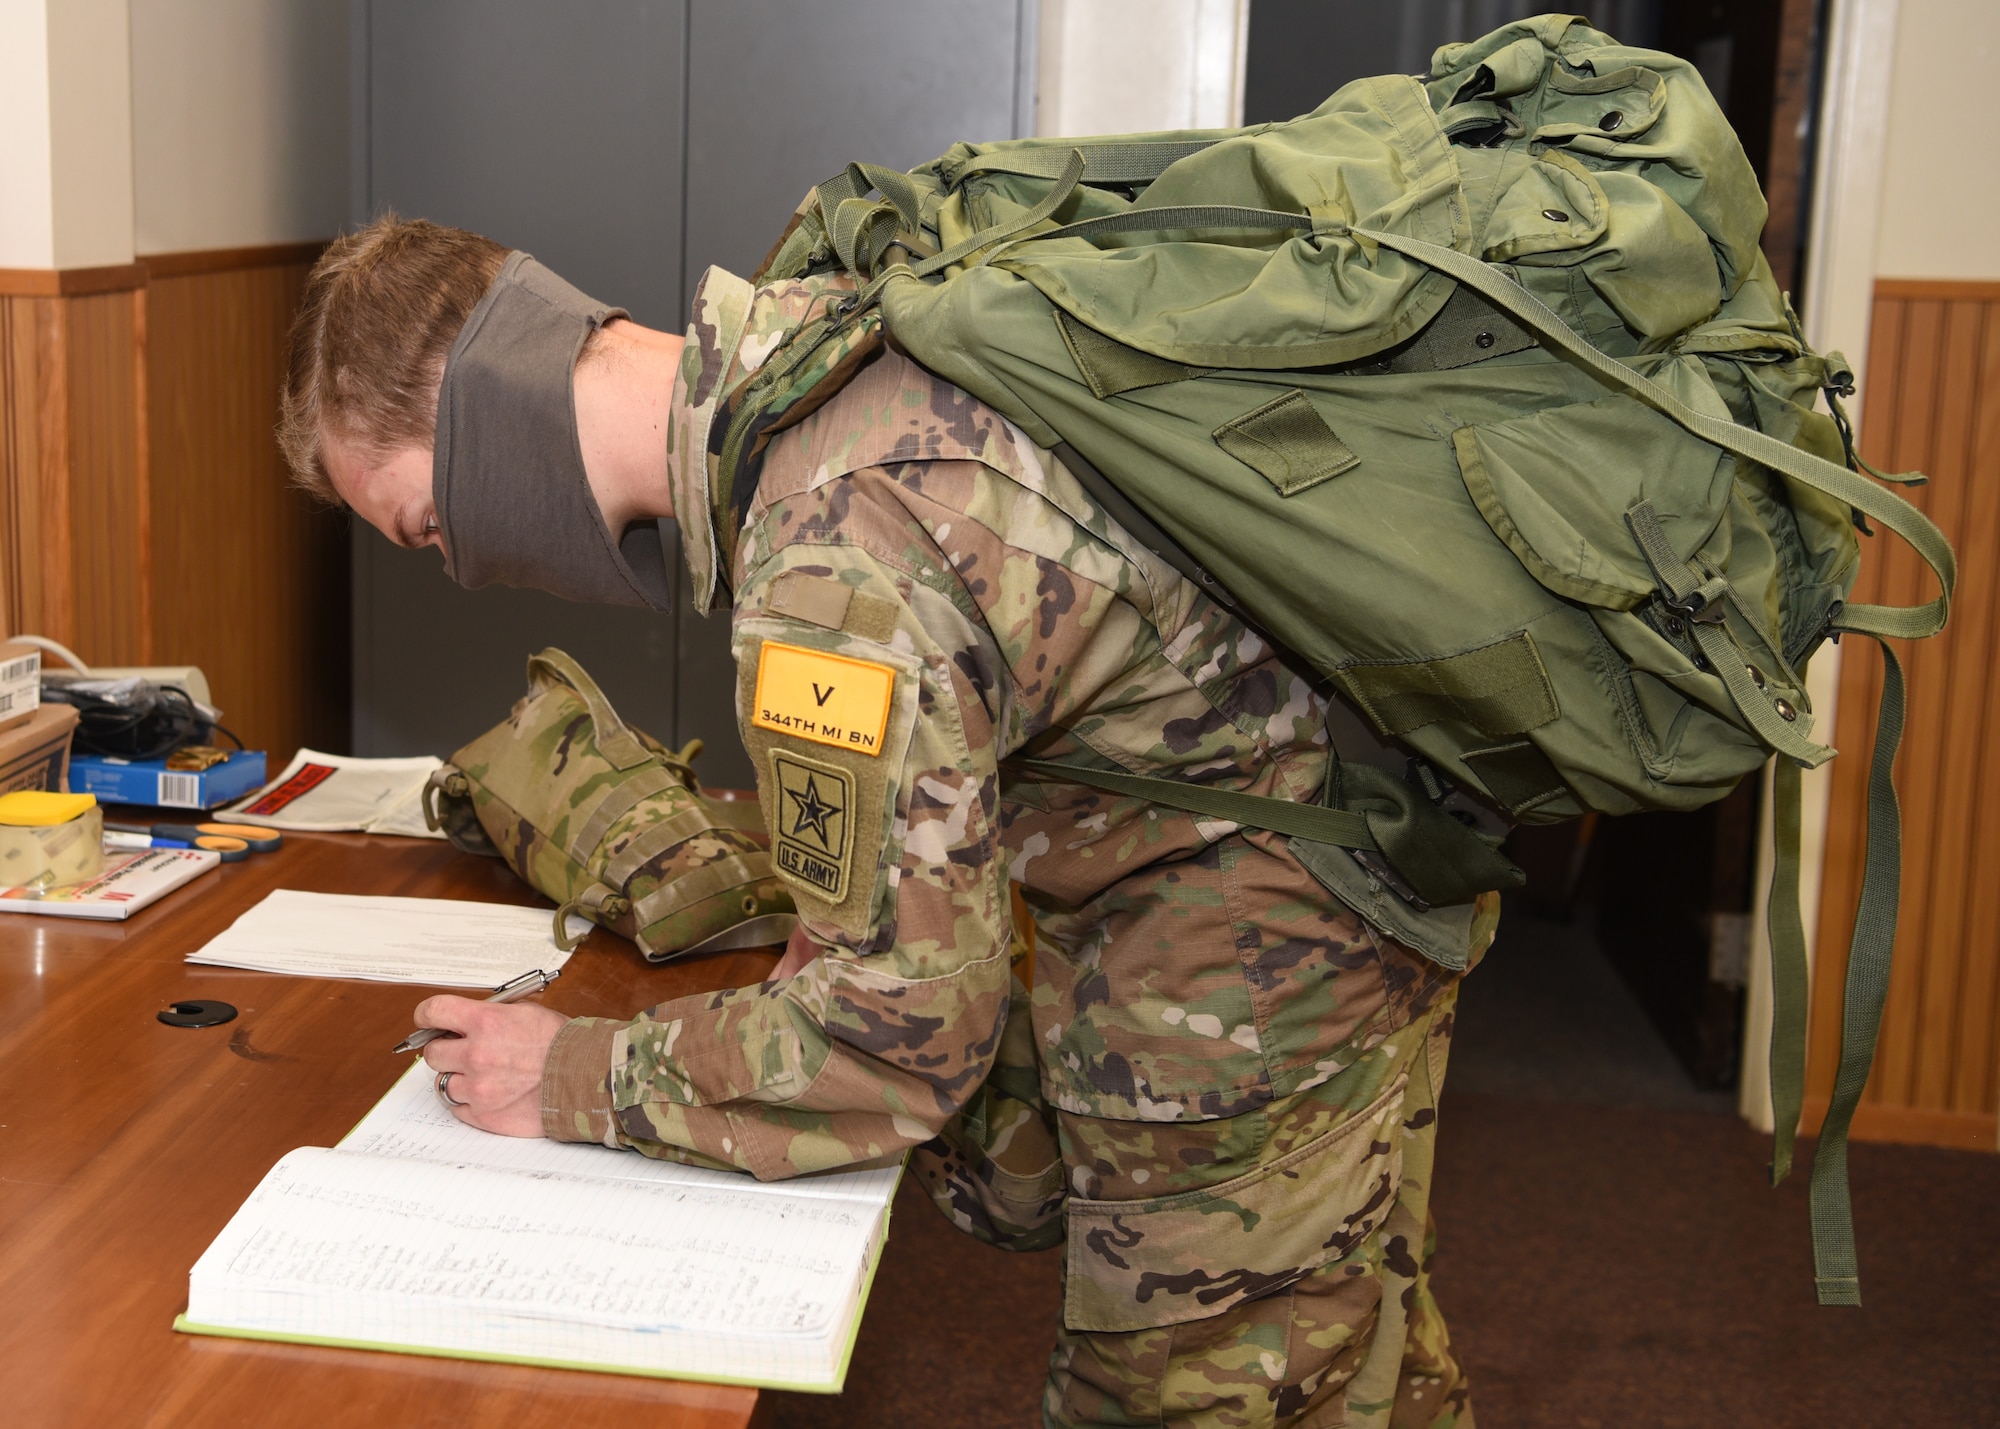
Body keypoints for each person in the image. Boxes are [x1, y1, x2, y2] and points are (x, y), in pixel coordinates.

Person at [281, 214, 1497, 1428]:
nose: (460, 569)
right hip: (1349, 826)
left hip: (1250, 946)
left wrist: (571, 1073)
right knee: (1359, 1343)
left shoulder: (824, 569)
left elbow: (903, 1037)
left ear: (485, 432)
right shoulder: (815, 342)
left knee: (1206, 1390)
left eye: (429, 525)